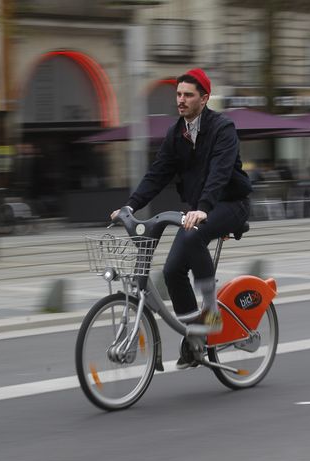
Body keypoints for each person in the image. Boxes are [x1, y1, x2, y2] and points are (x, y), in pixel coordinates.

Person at [110, 68, 252, 369]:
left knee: (192, 235)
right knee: (173, 271)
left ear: (204, 98)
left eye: (188, 95)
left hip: (229, 204)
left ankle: (211, 312)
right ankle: (195, 340)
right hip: (199, 209)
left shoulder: (222, 128)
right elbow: (157, 173)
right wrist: (130, 206)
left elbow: (220, 172)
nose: (181, 100)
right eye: (178, 94)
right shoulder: (177, 134)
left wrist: (202, 207)